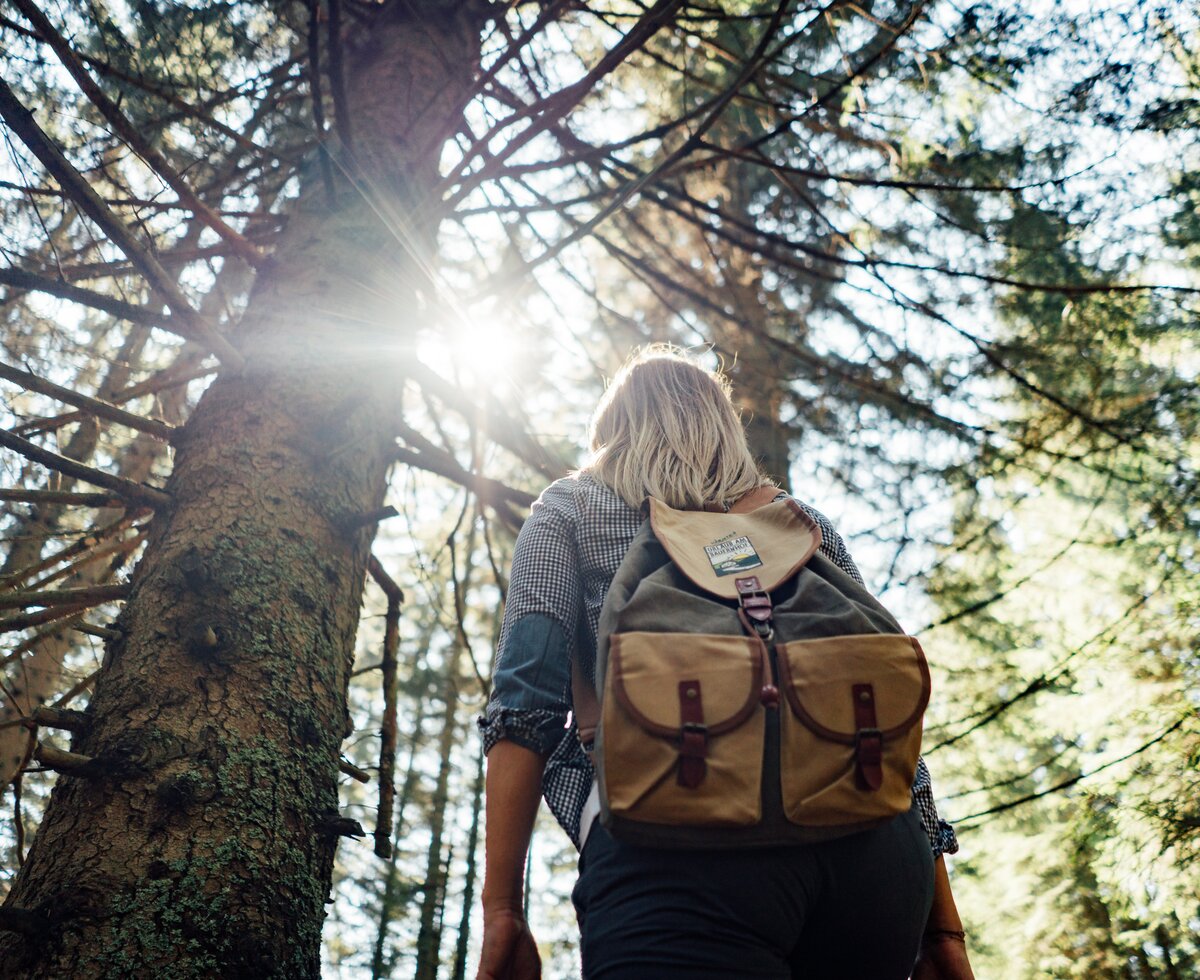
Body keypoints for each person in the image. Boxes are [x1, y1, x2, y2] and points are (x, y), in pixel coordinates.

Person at [477, 347, 974, 980]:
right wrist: (943, 929)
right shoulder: (801, 525)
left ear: (612, 431)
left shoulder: (570, 509)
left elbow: (524, 706)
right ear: (723, 428)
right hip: (876, 854)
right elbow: (889, 728)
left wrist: (502, 911)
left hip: (676, 846)